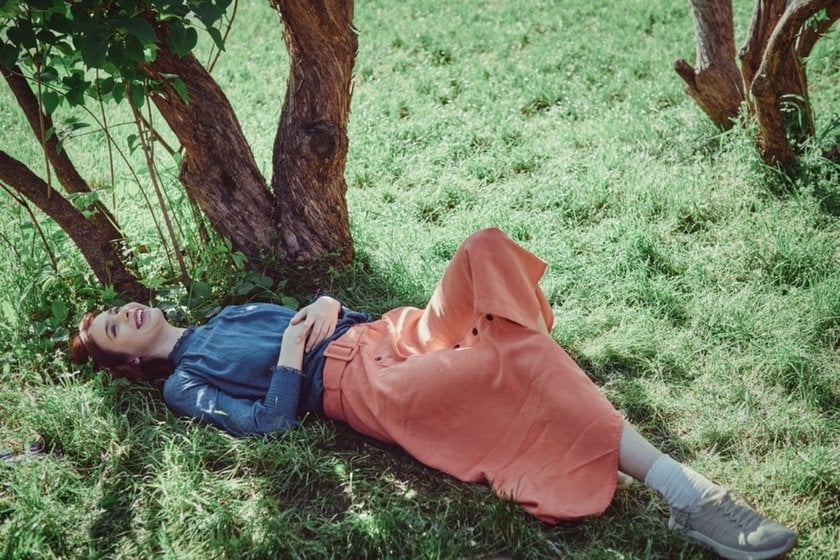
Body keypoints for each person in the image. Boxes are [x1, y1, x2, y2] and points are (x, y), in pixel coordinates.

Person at [70, 228, 796, 560]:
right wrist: (296, 349)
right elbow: (266, 426)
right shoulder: (185, 385)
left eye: (117, 308)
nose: (125, 314)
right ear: (129, 361)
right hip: (365, 384)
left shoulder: (227, 313)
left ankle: (522, 360)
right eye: (112, 328)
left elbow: (326, 315)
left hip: (395, 332)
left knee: (485, 248)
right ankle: (688, 495)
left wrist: (328, 302)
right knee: (514, 356)